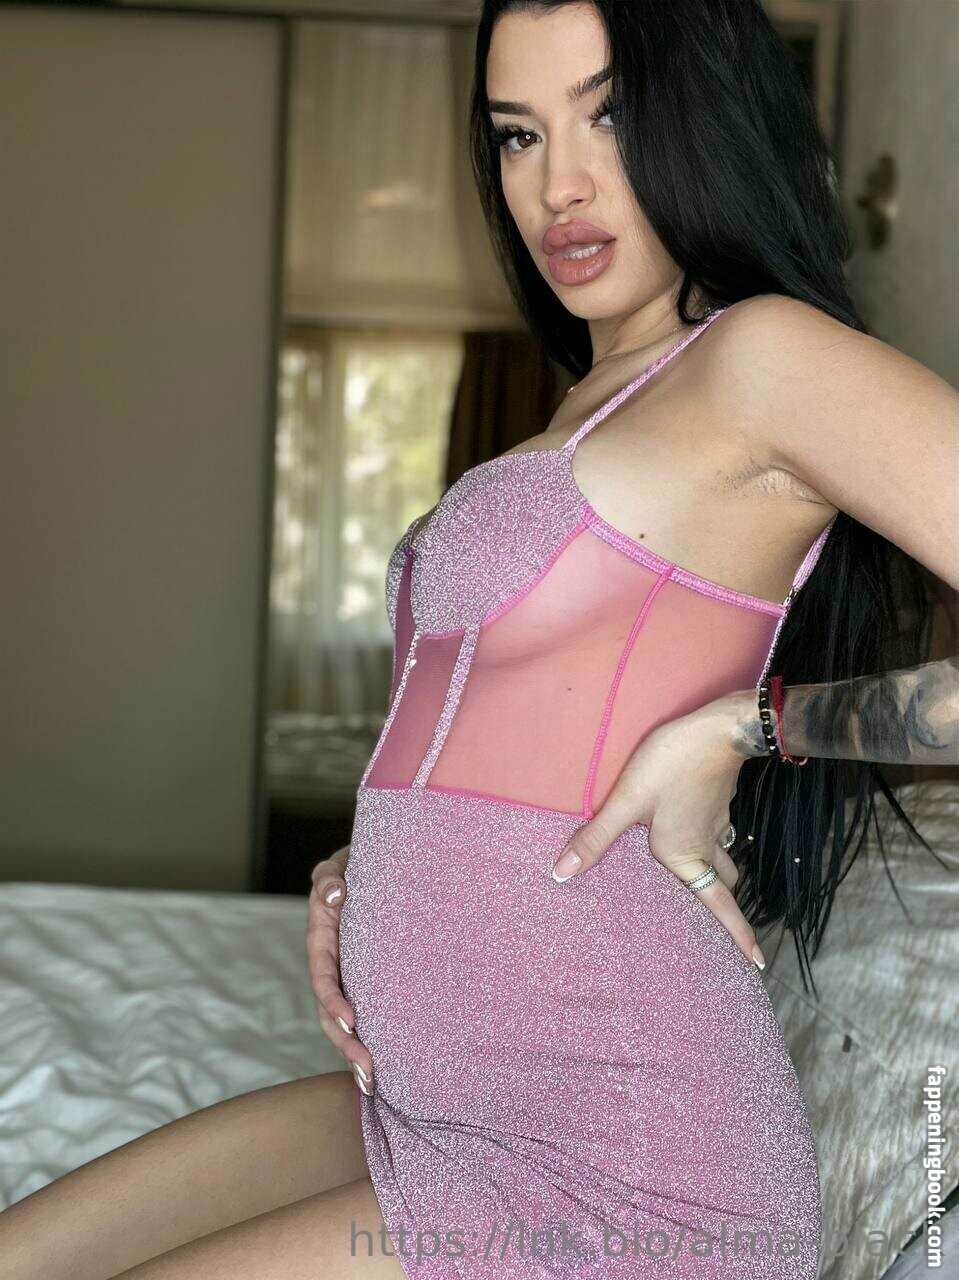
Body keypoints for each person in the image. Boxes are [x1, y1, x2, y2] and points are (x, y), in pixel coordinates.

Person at [2, 2, 956, 1278]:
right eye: (517, 134)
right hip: (428, 1103)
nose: (557, 183)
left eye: (608, 114)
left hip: (624, 1163)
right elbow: (512, 726)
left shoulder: (761, 358)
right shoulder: (587, 397)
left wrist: (751, 726)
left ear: (707, 116)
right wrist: (375, 859)